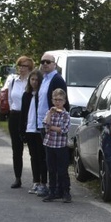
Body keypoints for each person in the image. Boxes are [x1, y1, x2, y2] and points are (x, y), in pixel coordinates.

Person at [34, 52, 68, 197]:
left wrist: (56, 119)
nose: (45, 64)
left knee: (57, 162)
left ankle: (61, 190)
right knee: (47, 160)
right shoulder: (44, 79)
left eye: (48, 62)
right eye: (42, 62)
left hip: (54, 126)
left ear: (54, 64)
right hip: (44, 122)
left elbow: (62, 101)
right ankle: (52, 188)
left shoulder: (57, 79)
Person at [5, 56, 33, 189]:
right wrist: (12, 111)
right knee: (16, 149)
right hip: (15, 115)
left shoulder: (32, 82)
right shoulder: (13, 81)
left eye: (25, 66)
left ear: (30, 68)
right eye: (20, 66)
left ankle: (37, 180)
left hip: (28, 116)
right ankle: (18, 178)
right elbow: (11, 98)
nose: (22, 69)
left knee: (33, 149)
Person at [42, 88, 72, 203]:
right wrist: (50, 113)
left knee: (62, 170)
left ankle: (65, 192)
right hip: (50, 144)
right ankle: (52, 192)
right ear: (52, 100)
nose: (57, 102)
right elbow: (45, 125)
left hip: (61, 146)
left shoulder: (65, 115)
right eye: (55, 100)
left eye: (60, 100)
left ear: (64, 101)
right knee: (51, 169)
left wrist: (51, 128)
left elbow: (63, 130)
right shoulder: (50, 112)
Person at [21, 69, 48, 195]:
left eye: (37, 80)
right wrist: (22, 130)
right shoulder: (26, 95)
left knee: (41, 157)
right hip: (29, 129)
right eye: (32, 79)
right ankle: (35, 181)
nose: (34, 82)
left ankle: (43, 182)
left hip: (39, 129)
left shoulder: (41, 94)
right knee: (33, 157)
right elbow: (23, 113)